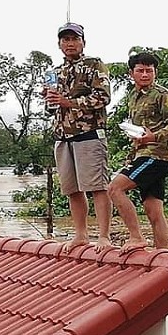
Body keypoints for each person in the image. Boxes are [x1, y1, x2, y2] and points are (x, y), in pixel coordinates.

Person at [45, 22, 112, 253]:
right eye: (65, 40)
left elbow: (103, 98)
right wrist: (50, 99)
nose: (70, 43)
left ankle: (104, 236)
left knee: (97, 187)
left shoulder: (95, 65)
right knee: (72, 189)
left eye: (74, 39)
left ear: (83, 41)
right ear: (59, 44)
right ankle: (81, 235)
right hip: (62, 136)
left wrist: (69, 102)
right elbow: (50, 108)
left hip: (89, 133)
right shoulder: (55, 72)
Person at [108, 51, 168, 253]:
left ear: (155, 72)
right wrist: (131, 155)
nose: (145, 74)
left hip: (156, 156)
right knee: (153, 210)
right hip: (142, 155)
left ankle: (136, 237)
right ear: (131, 73)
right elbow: (137, 132)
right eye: (140, 70)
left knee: (115, 189)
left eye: (149, 70)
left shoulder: (162, 95)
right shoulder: (133, 97)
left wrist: (154, 136)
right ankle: (162, 254)